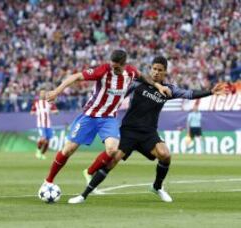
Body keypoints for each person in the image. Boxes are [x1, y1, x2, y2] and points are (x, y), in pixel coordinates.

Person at [68, 56, 227, 204]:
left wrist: (210, 92)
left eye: (160, 70)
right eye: (154, 69)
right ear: (150, 69)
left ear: (165, 72)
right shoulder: (137, 83)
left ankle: (157, 187)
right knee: (112, 161)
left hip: (148, 133)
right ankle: (83, 195)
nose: (156, 72)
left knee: (165, 155)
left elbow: (189, 94)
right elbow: (118, 93)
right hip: (128, 130)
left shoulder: (168, 90)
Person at [39, 50, 171, 190]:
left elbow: (145, 77)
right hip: (90, 115)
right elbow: (76, 77)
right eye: (112, 65)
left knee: (113, 149)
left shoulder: (130, 72)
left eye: (117, 67)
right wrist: (56, 91)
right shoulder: (102, 71)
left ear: (124, 65)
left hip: (108, 118)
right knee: (68, 150)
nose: (113, 69)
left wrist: (159, 86)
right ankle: (48, 181)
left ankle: (89, 173)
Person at [30, 90, 58, 160]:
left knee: (47, 142)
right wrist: (35, 113)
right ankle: (38, 150)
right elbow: (31, 112)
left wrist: (55, 112)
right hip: (41, 124)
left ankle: (42, 154)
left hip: (48, 125)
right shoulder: (36, 103)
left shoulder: (49, 102)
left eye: (44, 93)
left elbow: (56, 111)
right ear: (39, 95)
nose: (43, 95)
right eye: (41, 93)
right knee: (44, 139)